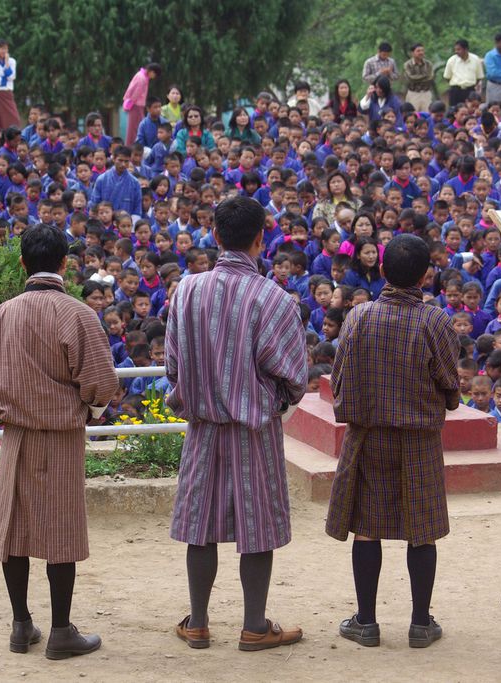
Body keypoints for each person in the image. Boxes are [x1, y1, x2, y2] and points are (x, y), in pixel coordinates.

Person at [0, 224, 118, 659]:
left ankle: (21, 626)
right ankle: (60, 631)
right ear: (64, 264)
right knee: (62, 532)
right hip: (62, 437)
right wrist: (89, 411)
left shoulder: (4, 313)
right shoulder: (77, 314)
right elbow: (102, 383)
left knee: (13, 530)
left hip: (16, 437)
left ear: (22, 263)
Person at [166, 196, 307, 652]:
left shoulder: (186, 290)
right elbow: (293, 378)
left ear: (215, 235)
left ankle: (199, 623)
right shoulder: (274, 298)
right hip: (254, 429)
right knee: (257, 527)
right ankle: (253, 625)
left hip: (203, 427)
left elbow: (173, 365)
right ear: (261, 239)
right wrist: (269, 402)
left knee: (199, 526)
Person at [326, 233, 460, 649]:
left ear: (382, 270)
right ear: (426, 275)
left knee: (367, 527)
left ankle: (366, 622)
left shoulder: (359, 317)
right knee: (422, 530)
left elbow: (340, 381)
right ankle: (421, 623)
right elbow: (451, 387)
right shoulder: (435, 321)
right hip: (418, 438)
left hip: (367, 436)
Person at [89, 146, 142, 221]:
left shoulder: (135, 182)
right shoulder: (102, 179)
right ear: (113, 159)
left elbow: (137, 209)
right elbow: (95, 204)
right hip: (104, 223)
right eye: (120, 160)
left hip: (125, 225)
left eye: (126, 161)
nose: (123, 164)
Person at [122, 62, 162, 146]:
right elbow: (136, 92)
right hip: (136, 104)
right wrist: (130, 103)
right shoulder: (142, 78)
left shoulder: (141, 75)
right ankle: (131, 146)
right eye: (154, 75)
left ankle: (136, 145)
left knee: (137, 126)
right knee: (135, 127)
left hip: (137, 104)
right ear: (151, 71)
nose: (153, 77)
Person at [0, 40, 20, 129]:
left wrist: (6, 63)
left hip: (8, 94)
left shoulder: (12, 61)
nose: (4, 51)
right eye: (1, 48)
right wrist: (6, 80)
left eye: (5, 48)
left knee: (15, 119)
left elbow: (12, 77)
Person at [443, 39, 485, 108]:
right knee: (454, 112)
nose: (456, 52)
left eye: (459, 49)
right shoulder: (451, 60)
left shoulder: (475, 59)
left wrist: (470, 84)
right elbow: (447, 77)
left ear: (466, 49)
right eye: (455, 50)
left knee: (470, 112)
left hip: (470, 91)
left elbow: (479, 77)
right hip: (455, 91)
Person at [402, 43, 434, 113]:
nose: (421, 53)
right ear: (412, 53)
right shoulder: (407, 65)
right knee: (412, 114)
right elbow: (410, 78)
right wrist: (424, 76)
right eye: (418, 51)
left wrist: (417, 78)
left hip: (426, 93)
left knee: (427, 114)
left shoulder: (428, 64)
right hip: (413, 93)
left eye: (422, 50)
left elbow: (430, 77)